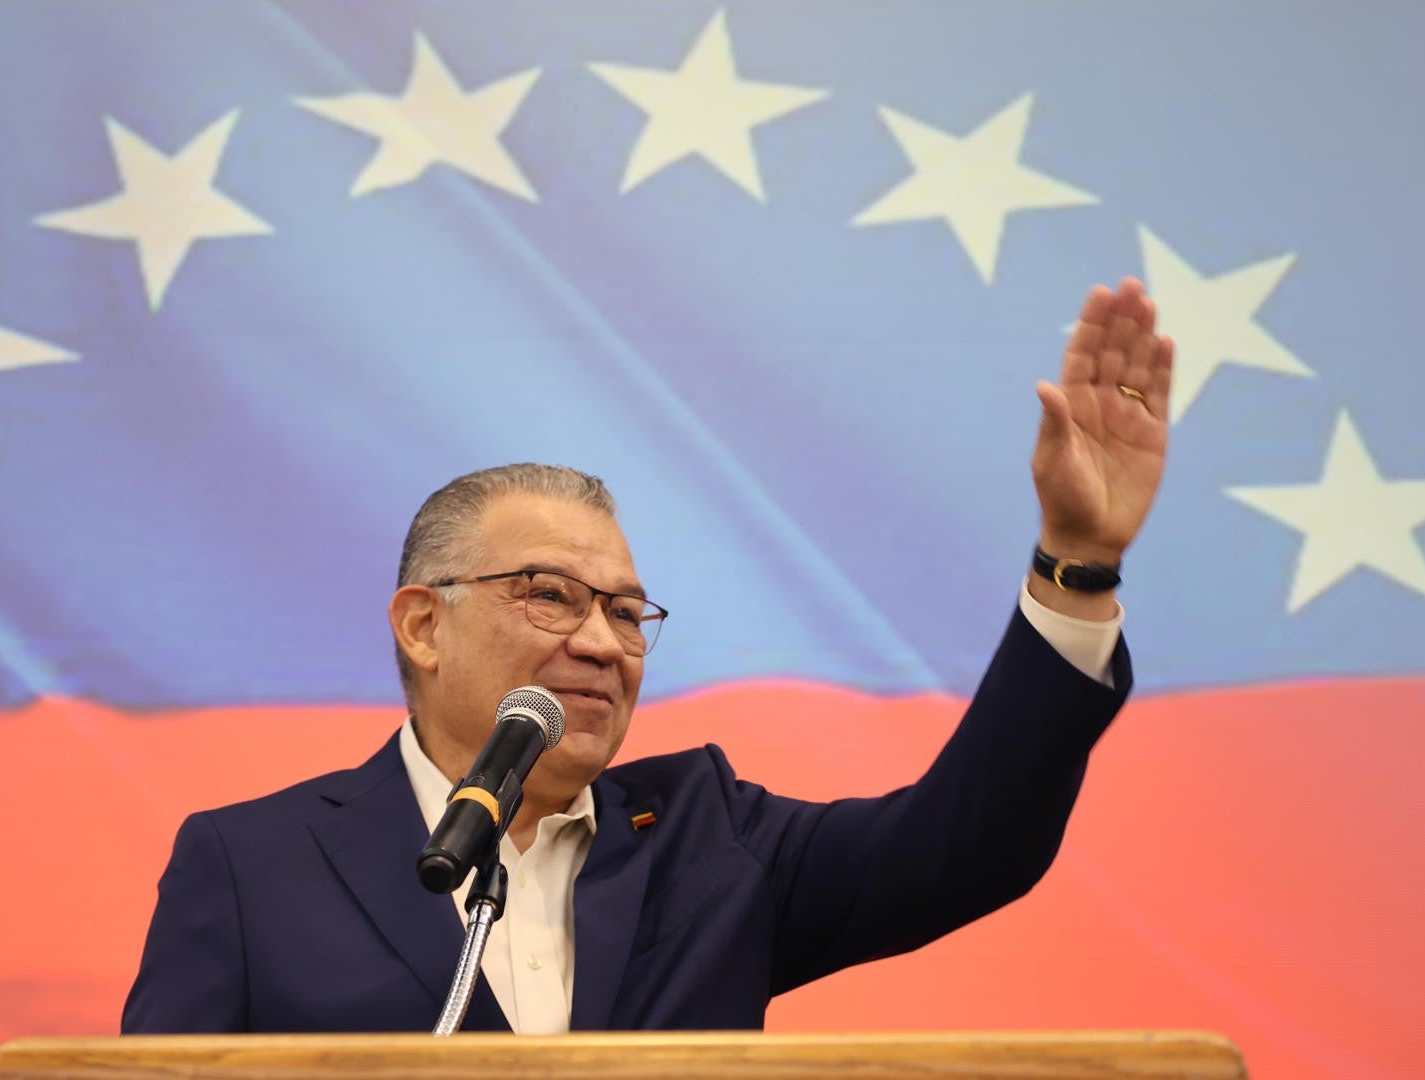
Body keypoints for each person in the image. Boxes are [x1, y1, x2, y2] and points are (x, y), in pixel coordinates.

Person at [122, 279, 1175, 1034]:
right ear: (423, 625)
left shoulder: (711, 846)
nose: (600, 643)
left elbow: (965, 844)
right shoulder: (250, 864)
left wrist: (1076, 564)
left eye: (627, 614)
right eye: (549, 595)